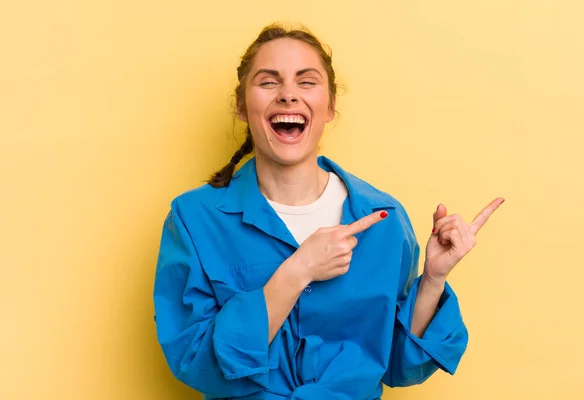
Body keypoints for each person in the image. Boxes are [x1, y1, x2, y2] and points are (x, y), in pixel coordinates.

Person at [153, 23, 504, 400]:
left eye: (306, 82)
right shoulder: (193, 218)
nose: (288, 95)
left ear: (330, 106)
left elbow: (400, 365)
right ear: (241, 105)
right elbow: (196, 363)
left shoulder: (384, 220)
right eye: (269, 82)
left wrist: (433, 279)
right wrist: (297, 270)